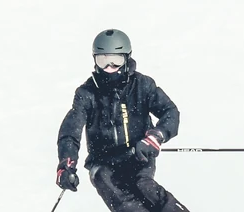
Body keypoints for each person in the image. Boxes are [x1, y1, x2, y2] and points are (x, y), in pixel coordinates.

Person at [56, 29, 191, 212]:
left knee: (144, 185)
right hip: (103, 161)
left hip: (138, 153)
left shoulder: (142, 85)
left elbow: (170, 112)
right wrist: (66, 163)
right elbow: (71, 131)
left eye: (116, 61)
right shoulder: (87, 93)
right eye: (103, 61)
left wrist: (156, 137)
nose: (109, 68)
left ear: (127, 58)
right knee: (107, 183)